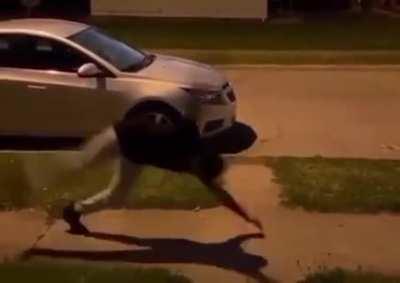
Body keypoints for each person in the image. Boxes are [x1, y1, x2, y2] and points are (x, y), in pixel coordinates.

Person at [63, 117, 262, 235]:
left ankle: (73, 211)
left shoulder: (201, 169)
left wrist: (248, 217)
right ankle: (48, 177)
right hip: (120, 136)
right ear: (199, 157)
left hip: (135, 156)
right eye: (195, 166)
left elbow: (222, 195)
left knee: (116, 197)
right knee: (80, 165)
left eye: (197, 171)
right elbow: (185, 115)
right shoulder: (187, 134)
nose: (191, 169)